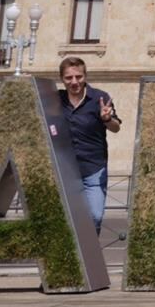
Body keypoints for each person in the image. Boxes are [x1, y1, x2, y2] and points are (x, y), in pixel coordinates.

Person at [56, 56, 119, 233]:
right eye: (69, 78)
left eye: (79, 76)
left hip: (94, 169)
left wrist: (107, 119)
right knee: (67, 221)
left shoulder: (100, 98)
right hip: (65, 171)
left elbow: (116, 128)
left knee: (95, 216)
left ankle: (90, 249)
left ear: (85, 76)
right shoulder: (56, 99)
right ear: (62, 79)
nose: (74, 82)